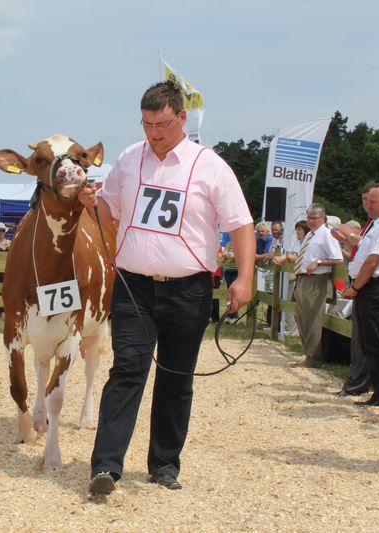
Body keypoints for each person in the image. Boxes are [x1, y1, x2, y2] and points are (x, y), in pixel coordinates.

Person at [77, 80, 255, 496]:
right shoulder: (127, 159)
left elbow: (240, 224)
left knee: (176, 377)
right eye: (146, 124)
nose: (154, 132)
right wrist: (92, 203)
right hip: (133, 285)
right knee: (127, 369)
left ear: (181, 118)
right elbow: (110, 212)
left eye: (161, 123)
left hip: (188, 288)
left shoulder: (209, 165)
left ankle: (163, 464)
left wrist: (244, 278)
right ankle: (105, 467)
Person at [340, 185, 379, 408]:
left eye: (373, 201)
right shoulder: (376, 224)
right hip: (367, 285)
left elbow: (373, 260)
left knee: (375, 341)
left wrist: (355, 287)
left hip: (374, 286)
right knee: (368, 341)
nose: (368, 205)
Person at [279, 205, 343, 367]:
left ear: (323, 218)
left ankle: (314, 357)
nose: (311, 221)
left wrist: (319, 262)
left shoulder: (326, 234)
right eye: (309, 218)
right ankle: (308, 353)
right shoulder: (311, 235)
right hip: (302, 278)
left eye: (315, 218)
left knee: (312, 318)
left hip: (316, 279)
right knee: (301, 316)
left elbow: (338, 259)